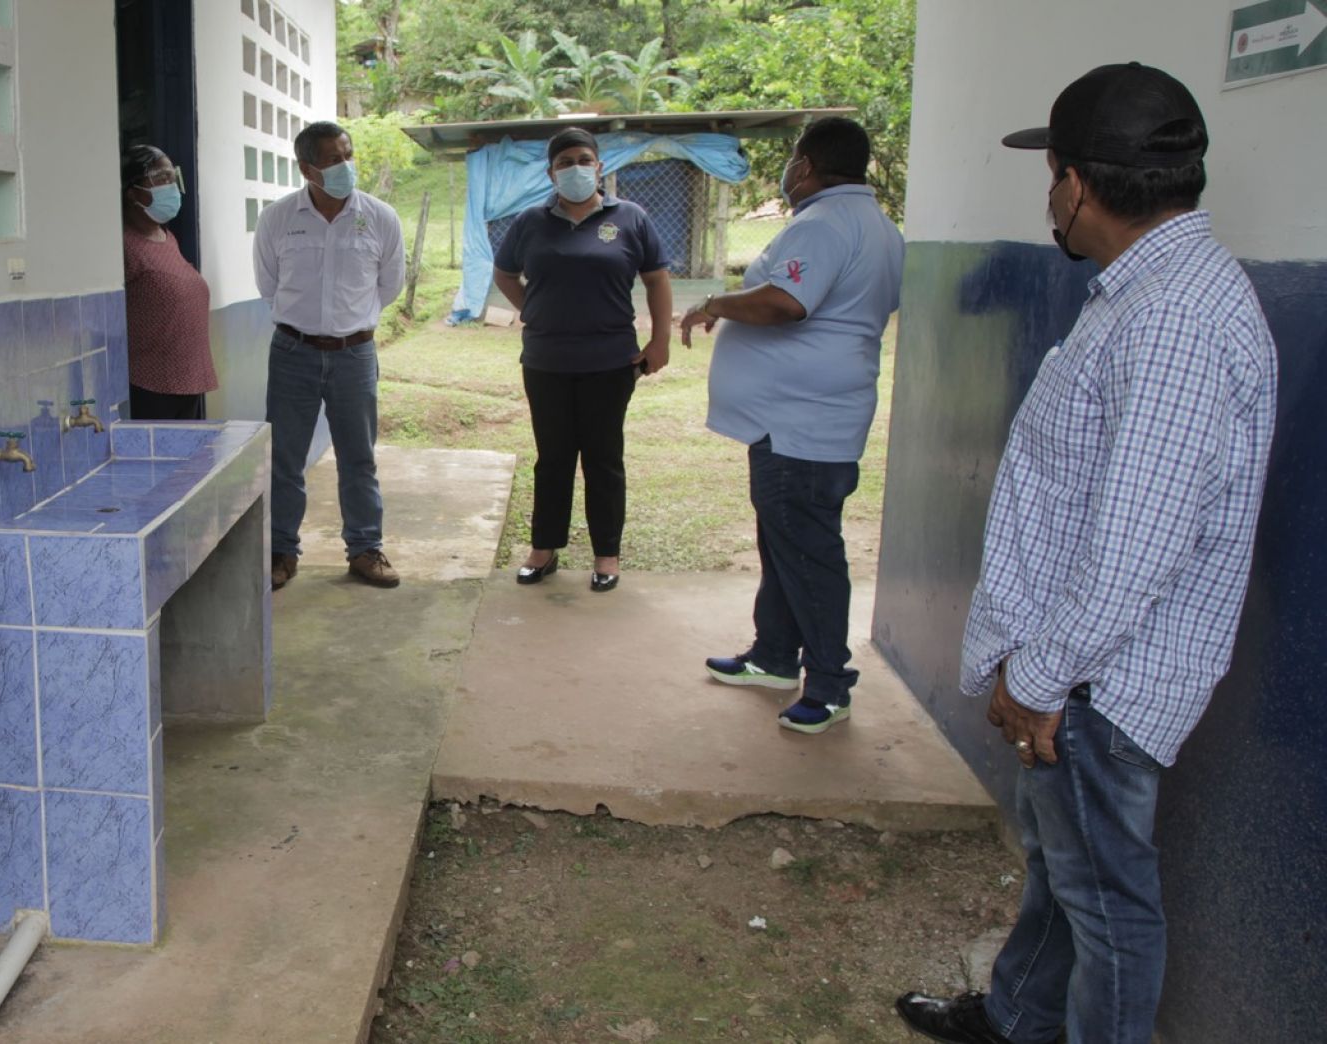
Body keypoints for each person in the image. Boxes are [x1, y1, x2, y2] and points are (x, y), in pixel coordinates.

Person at [894, 63, 1277, 1044]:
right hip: (1082, 670)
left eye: (1050, 173)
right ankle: (1018, 1018)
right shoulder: (1150, 291)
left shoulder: (1174, 317)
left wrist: (1039, 677)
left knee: (1108, 905)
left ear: (1075, 185)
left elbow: (1138, 544)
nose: (1048, 195)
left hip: (1096, 682)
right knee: (1068, 873)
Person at [680, 116, 905, 735]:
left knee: (809, 553)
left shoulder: (825, 223)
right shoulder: (877, 225)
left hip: (800, 426)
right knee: (786, 541)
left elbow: (787, 302)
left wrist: (715, 304)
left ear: (804, 165)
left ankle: (829, 685)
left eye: (792, 161)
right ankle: (775, 655)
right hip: (806, 421)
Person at [492, 127, 672, 593]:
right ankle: (544, 549)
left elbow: (656, 279)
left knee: (603, 458)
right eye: (565, 162)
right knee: (552, 457)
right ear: (551, 173)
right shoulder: (530, 222)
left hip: (610, 362)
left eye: (584, 160)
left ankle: (606, 554)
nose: (576, 168)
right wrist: (531, 308)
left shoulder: (630, 217)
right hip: (546, 362)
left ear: (599, 166)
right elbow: (505, 273)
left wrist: (660, 341)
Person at [253, 121, 406, 590]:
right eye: (334, 159)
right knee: (285, 459)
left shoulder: (380, 217)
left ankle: (365, 549)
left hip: (353, 355)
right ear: (307, 169)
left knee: (358, 457)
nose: (346, 165)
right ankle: (281, 551)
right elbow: (268, 284)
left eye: (348, 155)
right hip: (292, 353)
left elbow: (389, 285)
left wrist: (348, 325)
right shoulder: (278, 218)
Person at [120, 145, 217, 420]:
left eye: (172, 177)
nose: (171, 186)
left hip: (188, 380)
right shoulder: (123, 244)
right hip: (151, 385)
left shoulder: (167, 238)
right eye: (161, 178)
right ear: (132, 192)